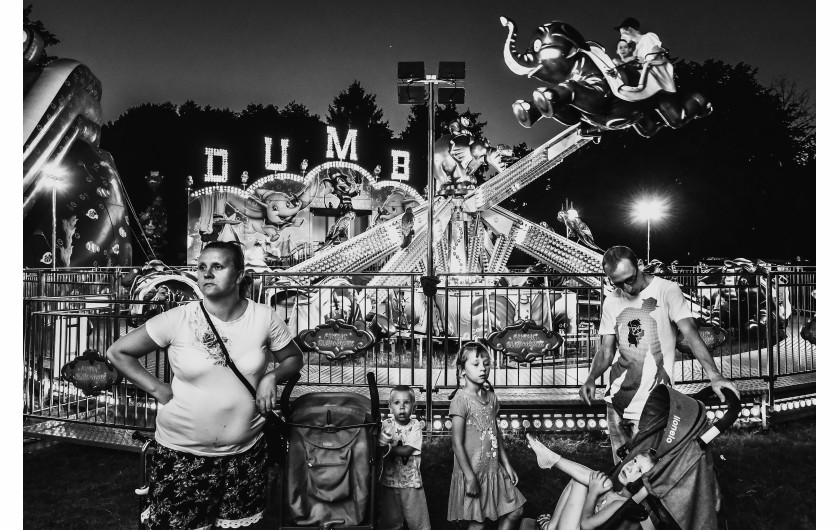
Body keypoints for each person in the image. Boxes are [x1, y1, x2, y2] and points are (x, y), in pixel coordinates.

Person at [107, 240, 304, 529]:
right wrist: (158, 389)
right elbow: (118, 352)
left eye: (217, 266)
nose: (207, 274)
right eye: (201, 267)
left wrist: (271, 377)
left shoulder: (263, 318)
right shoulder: (178, 319)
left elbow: (293, 358)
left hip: (245, 454)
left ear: (239, 275)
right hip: (183, 454)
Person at [579, 246, 740, 463]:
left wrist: (715, 375)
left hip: (652, 402)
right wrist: (590, 377)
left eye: (629, 279)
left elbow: (691, 334)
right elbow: (606, 350)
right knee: (623, 473)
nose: (626, 288)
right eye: (617, 283)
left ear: (640, 266)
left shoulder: (667, 290)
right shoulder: (612, 301)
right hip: (616, 400)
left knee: (651, 470)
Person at [448, 342, 526, 530]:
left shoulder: (491, 397)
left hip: (493, 470)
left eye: (486, 363)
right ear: (462, 369)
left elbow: (495, 432)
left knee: (516, 510)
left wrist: (506, 464)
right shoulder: (460, 401)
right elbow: (456, 443)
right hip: (473, 472)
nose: (483, 368)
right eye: (476, 364)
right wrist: (469, 478)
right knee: (478, 523)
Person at [525, 434, 657, 530]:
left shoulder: (621, 504)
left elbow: (586, 525)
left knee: (599, 483)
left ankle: (551, 459)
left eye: (639, 471)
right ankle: (551, 526)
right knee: (586, 481)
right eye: (634, 461)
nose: (630, 467)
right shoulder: (614, 493)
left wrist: (593, 493)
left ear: (643, 483)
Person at [378, 386, 431, 530]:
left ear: (413, 407)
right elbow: (378, 447)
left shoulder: (415, 426)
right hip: (389, 481)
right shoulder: (385, 425)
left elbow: (407, 450)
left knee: (418, 521)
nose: (402, 407)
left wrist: (387, 449)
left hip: (411, 481)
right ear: (390, 407)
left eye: (406, 403)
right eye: (396, 403)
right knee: (390, 522)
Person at [614, 17, 676, 93]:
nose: (621, 37)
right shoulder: (636, 50)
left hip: (658, 80)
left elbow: (658, 57)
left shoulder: (648, 37)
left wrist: (644, 63)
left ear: (630, 30)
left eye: (623, 34)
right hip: (645, 81)